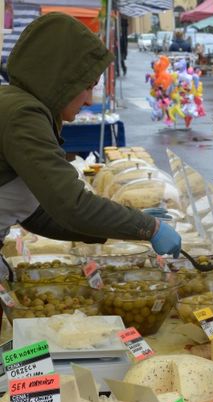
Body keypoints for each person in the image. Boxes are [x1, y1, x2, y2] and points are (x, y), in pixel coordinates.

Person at [0, 13, 182, 277]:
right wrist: (148, 227)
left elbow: (39, 213)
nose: (88, 99)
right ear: (59, 79)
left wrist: (126, 225)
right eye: (86, 86)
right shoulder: (23, 115)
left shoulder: (19, 105)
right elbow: (70, 206)